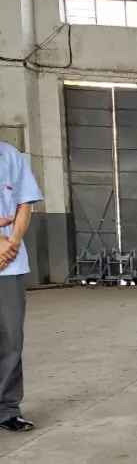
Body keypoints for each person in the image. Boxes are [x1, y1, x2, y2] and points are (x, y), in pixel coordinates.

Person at [0, 142, 43, 433]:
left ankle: (7, 409)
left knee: (10, 338)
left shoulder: (10, 155)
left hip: (9, 265)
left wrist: (11, 244)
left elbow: (25, 203)